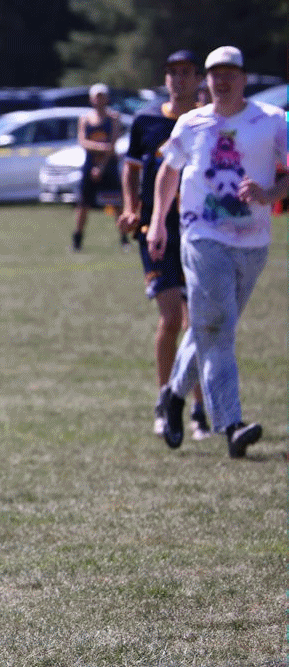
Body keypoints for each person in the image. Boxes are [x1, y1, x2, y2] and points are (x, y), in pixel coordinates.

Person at [148, 46, 288, 456]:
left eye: (230, 73)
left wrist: (270, 194)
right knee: (218, 329)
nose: (222, 81)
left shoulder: (272, 120)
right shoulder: (192, 123)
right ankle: (231, 424)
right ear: (206, 81)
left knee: (210, 327)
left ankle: (173, 395)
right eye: (215, 74)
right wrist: (157, 221)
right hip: (202, 237)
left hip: (253, 243)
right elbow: (168, 171)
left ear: (243, 78)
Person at [118, 50, 209, 439]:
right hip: (156, 232)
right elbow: (131, 170)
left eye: (186, 72)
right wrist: (130, 208)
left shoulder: (209, 121)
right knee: (172, 318)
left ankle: (199, 409)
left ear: (199, 78)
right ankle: (164, 398)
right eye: (172, 72)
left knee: (198, 323)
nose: (178, 79)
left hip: (199, 231)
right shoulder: (147, 121)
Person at [72, 84, 124, 251]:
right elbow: (82, 141)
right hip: (89, 166)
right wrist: (100, 147)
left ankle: (124, 239)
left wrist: (101, 166)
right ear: (91, 99)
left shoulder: (113, 118)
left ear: (107, 98)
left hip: (109, 165)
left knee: (116, 203)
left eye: (102, 96)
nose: (99, 100)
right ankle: (77, 239)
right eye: (97, 96)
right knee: (83, 204)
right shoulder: (85, 119)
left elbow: (113, 144)